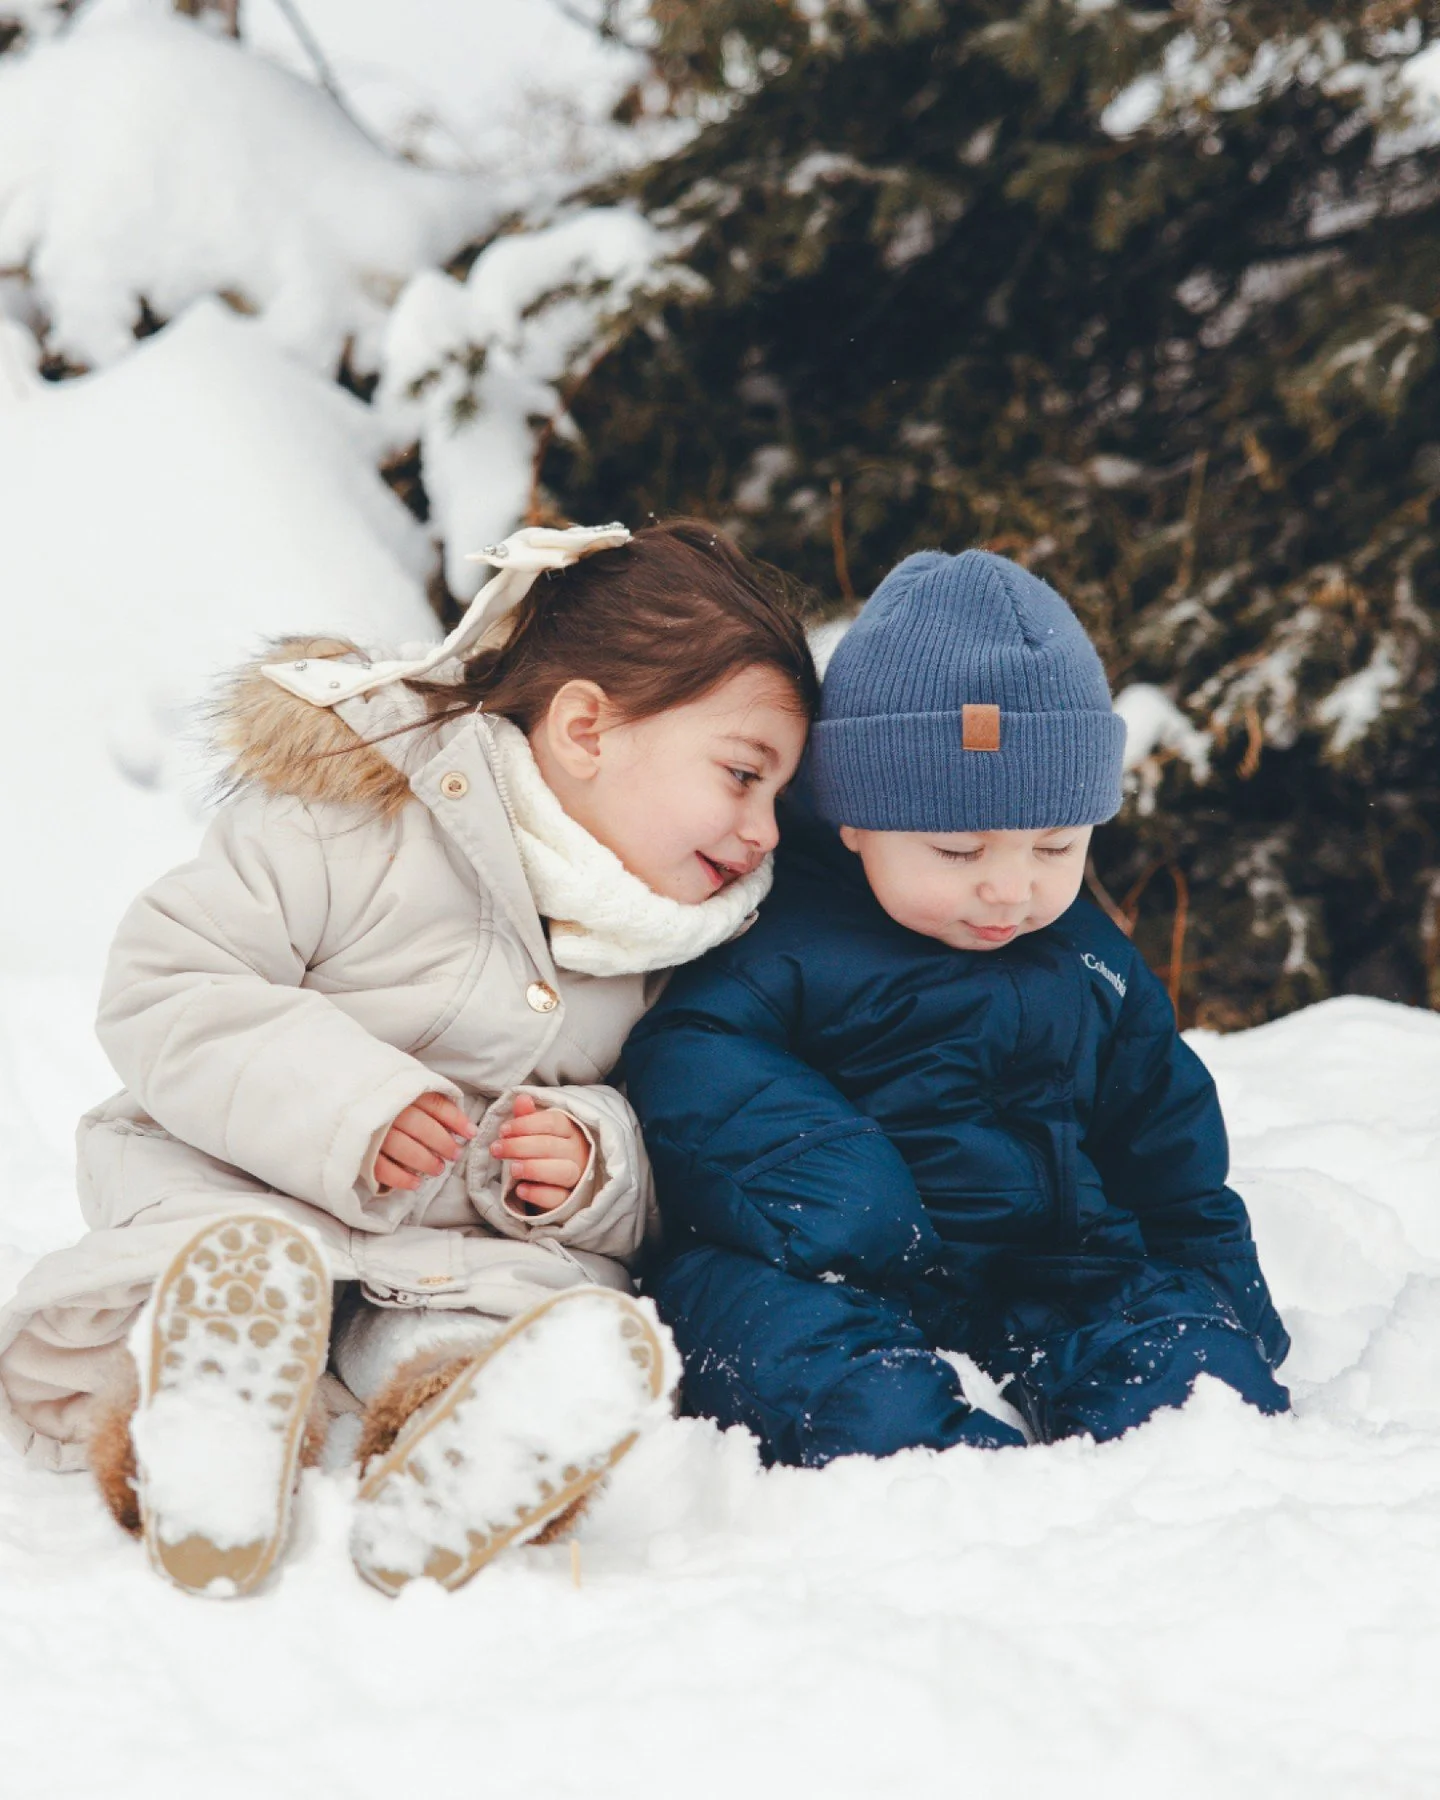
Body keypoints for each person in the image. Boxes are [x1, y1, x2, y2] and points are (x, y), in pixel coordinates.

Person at [0, 519, 816, 1594]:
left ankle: (456, 1433)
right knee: (196, 1280)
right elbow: (170, 986)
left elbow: (682, 1143)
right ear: (586, 730)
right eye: (742, 775)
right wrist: (351, 1107)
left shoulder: (673, 947)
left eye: (777, 799)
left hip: (458, 1252)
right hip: (239, 1188)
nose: (762, 832)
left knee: (514, 1325)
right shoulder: (355, 815)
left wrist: (593, 1168)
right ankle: (199, 1418)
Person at [623, 548, 1290, 1469]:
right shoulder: (776, 936)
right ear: (855, 817)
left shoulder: (1093, 960)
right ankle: (948, 1473)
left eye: (1055, 848)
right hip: (826, 1268)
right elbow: (687, 1059)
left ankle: (1158, 1426)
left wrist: (1225, 1300)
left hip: (1051, 1273)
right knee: (809, 1371)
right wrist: (836, 1186)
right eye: (958, 852)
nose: (1011, 890)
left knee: (1205, 1383)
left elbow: (1165, 1143)